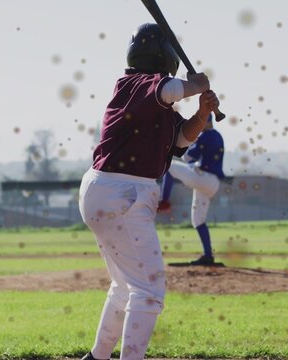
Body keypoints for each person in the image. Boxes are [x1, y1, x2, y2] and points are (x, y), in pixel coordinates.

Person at [78, 23, 219, 360]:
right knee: (150, 291)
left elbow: (181, 139)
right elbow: (169, 89)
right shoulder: (134, 84)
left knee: (126, 287)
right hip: (123, 193)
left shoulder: (152, 105)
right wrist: (197, 84)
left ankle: (97, 357)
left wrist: (201, 113)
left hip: (107, 191)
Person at [158, 114, 225, 266]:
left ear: (205, 123)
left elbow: (187, 158)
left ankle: (164, 201)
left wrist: (192, 139)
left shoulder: (205, 136)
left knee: (169, 167)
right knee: (198, 220)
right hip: (213, 183)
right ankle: (208, 256)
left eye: (201, 123)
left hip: (204, 178)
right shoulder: (218, 135)